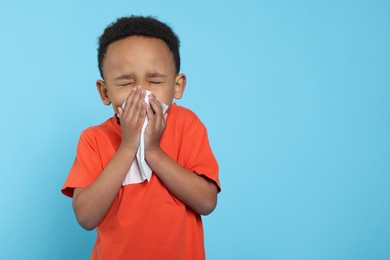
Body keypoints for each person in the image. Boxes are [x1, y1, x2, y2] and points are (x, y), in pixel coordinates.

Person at [61, 15, 221, 260]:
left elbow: (207, 202)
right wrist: (127, 147)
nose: (142, 94)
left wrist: (153, 152)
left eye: (155, 81)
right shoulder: (94, 139)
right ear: (105, 92)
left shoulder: (188, 126)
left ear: (177, 86)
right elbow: (85, 217)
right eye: (126, 84)